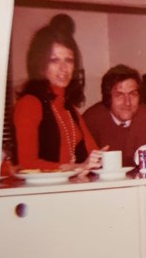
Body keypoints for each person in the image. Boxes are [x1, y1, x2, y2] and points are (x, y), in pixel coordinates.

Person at [13, 13, 103, 172]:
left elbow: (93, 152)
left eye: (68, 60)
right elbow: (26, 164)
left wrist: (101, 159)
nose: (63, 69)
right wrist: (77, 167)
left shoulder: (70, 109)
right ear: (40, 65)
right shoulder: (29, 104)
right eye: (54, 60)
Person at [83, 64, 146, 167]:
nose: (127, 103)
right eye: (119, 95)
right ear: (108, 98)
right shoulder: (91, 120)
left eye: (132, 94)